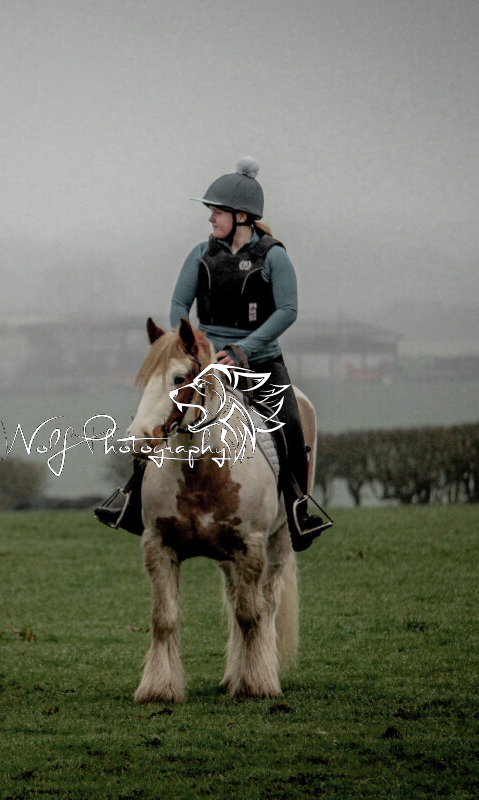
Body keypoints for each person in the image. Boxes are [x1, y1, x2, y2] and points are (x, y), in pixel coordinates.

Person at [95, 156, 331, 551]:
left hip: (260, 361)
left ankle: (297, 511)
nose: (211, 218)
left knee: (290, 423)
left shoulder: (274, 257)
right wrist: (190, 344)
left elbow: (288, 311)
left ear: (241, 216)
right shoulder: (200, 255)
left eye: (217, 212)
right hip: (206, 362)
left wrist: (243, 349)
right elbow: (178, 304)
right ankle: (133, 501)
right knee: (157, 412)